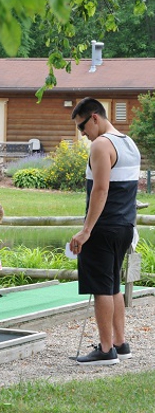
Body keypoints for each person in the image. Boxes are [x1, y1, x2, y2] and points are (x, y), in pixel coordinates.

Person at [69, 97, 140, 365]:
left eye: (82, 127)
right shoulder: (128, 143)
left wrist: (86, 230)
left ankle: (106, 350)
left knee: (101, 287)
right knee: (113, 286)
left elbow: (101, 189)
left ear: (95, 118)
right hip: (124, 226)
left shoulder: (101, 144)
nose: (83, 134)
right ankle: (121, 344)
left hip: (103, 226)